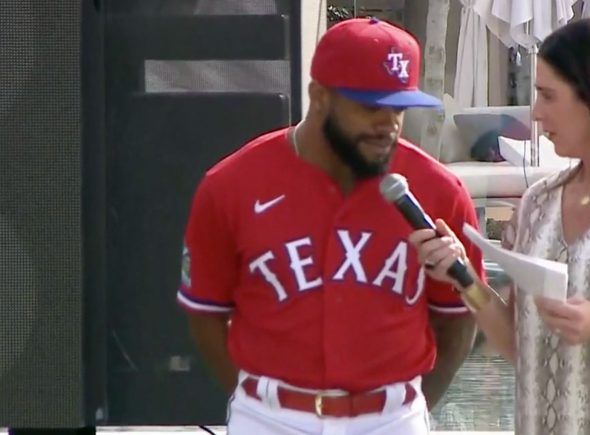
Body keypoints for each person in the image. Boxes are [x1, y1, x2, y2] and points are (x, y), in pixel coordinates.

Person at [177, 17, 486, 435]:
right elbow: (205, 315)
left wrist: (407, 411)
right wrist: (259, 399)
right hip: (270, 418)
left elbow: (459, 317)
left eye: (398, 108)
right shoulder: (231, 185)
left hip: (392, 418)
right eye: (370, 106)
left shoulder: (437, 191)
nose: (388, 125)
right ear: (319, 96)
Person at [409, 18, 590, 435]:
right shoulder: (538, 203)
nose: (537, 114)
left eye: (548, 96)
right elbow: (516, 343)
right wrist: (463, 276)